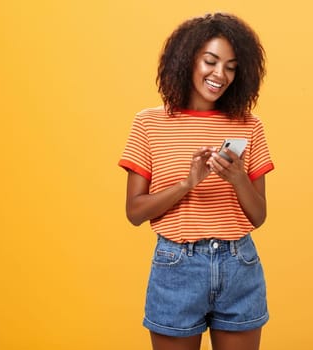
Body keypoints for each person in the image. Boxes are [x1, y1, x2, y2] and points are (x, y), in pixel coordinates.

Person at [118, 13, 274, 350]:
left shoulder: (249, 125)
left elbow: (258, 216)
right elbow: (134, 212)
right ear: (187, 59)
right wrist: (187, 184)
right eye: (211, 61)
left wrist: (237, 178)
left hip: (239, 266)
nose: (220, 74)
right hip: (176, 266)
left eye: (231, 66)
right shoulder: (149, 124)